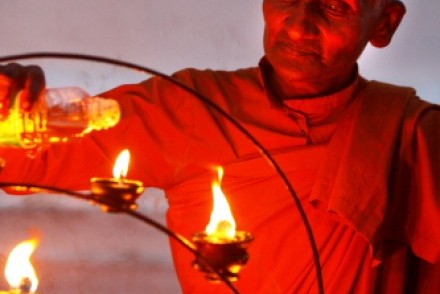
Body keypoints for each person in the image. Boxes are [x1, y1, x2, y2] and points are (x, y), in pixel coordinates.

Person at [0, 0, 439, 293]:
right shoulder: (191, 108)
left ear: (385, 24)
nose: (301, 24)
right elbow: (23, 159)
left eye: (334, 6)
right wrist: (7, 105)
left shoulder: (414, 132)